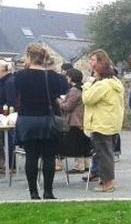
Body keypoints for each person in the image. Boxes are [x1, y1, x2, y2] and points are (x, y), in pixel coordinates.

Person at [14, 44, 62, 200]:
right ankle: (48, 191)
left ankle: (33, 192)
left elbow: (16, 95)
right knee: (49, 156)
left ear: (29, 56)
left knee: (31, 156)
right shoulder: (54, 76)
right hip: (48, 119)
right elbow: (61, 93)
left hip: (27, 119)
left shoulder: (20, 76)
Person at [82, 49, 124, 193]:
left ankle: (108, 184)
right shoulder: (115, 82)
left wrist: (88, 83)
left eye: (93, 60)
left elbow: (87, 98)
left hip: (101, 124)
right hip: (111, 123)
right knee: (107, 153)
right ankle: (106, 181)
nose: (90, 63)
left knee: (103, 155)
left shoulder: (102, 85)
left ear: (100, 64)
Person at [58, 68, 88, 173]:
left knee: (77, 143)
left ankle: (79, 166)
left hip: (75, 120)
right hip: (82, 118)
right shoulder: (83, 88)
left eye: (67, 76)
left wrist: (59, 102)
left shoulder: (74, 90)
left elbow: (68, 107)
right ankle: (85, 164)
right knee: (83, 141)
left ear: (71, 78)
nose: (66, 78)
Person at [0, 60, 17, 173]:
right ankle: (4, 162)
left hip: (7, 115)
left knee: (9, 139)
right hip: (4, 113)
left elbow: (11, 101)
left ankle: (11, 165)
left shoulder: (9, 82)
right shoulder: (5, 81)